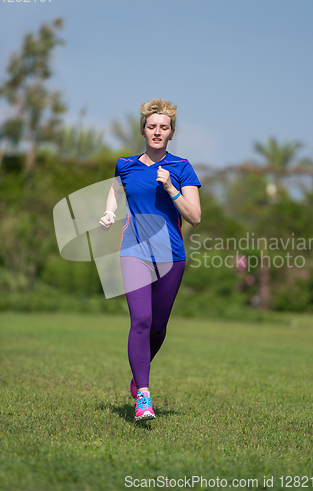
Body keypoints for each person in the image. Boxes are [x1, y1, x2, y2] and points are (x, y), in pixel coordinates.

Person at [99, 99, 201, 421]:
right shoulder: (125, 164)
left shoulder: (181, 167)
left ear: (171, 133)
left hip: (171, 255)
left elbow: (195, 216)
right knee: (141, 321)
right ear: (143, 129)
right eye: (152, 126)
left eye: (164, 127)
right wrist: (109, 211)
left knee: (158, 327)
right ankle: (143, 394)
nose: (157, 132)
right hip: (134, 251)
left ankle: (138, 371)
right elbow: (116, 190)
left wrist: (171, 188)